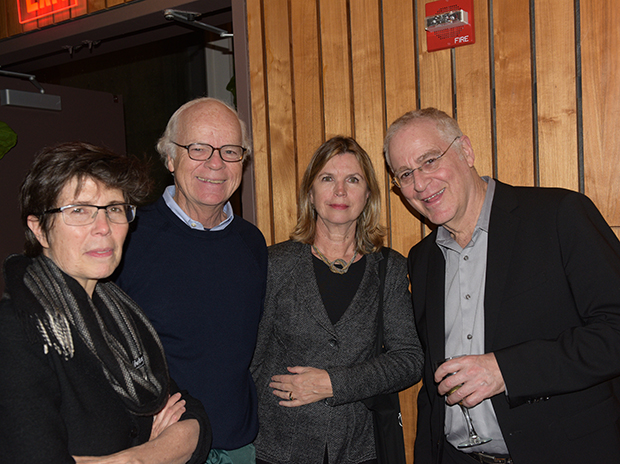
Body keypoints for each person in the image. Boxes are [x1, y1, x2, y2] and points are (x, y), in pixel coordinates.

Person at [384, 107, 620, 464]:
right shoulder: (422, 259)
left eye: (430, 160)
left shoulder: (559, 215)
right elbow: (433, 395)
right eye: (405, 173)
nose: (419, 183)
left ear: (466, 151)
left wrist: (505, 370)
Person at [0, 142, 211, 464]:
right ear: (40, 229)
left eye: (114, 208)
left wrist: (132, 460)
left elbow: (194, 418)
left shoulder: (119, 313)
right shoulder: (16, 330)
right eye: (79, 210)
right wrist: (159, 451)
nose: (104, 228)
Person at [251, 136, 424, 464]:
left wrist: (334, 383)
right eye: (327, 179)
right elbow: (250, 360)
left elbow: (409, 359)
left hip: (358, 449)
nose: (340, 191)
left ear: (368, 194)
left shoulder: (389, 268)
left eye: (353, 180)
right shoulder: (273, 264)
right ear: (310, 192)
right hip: (277, 449)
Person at [115, 97, 267, 463]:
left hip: (238, 448)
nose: (215, 163)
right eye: (198, 148)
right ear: (170, 158)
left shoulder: (252, 243)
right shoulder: (126, 236)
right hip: (159, 449)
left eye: (230, 151)